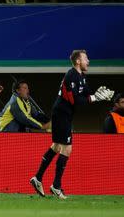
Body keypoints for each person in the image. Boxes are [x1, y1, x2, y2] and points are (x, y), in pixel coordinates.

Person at [30, 50, 114, 199]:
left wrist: (99, 96)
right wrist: (95, 98)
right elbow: (76, 100)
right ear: (77, 61)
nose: (88, 61)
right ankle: (56, 186)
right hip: (61, 113)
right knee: (67, 149)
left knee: (56, 146)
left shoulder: (81, 77)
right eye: (85, 58)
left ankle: (37, 178)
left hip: (64, 114)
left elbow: (87, 94)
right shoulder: (71, 76)